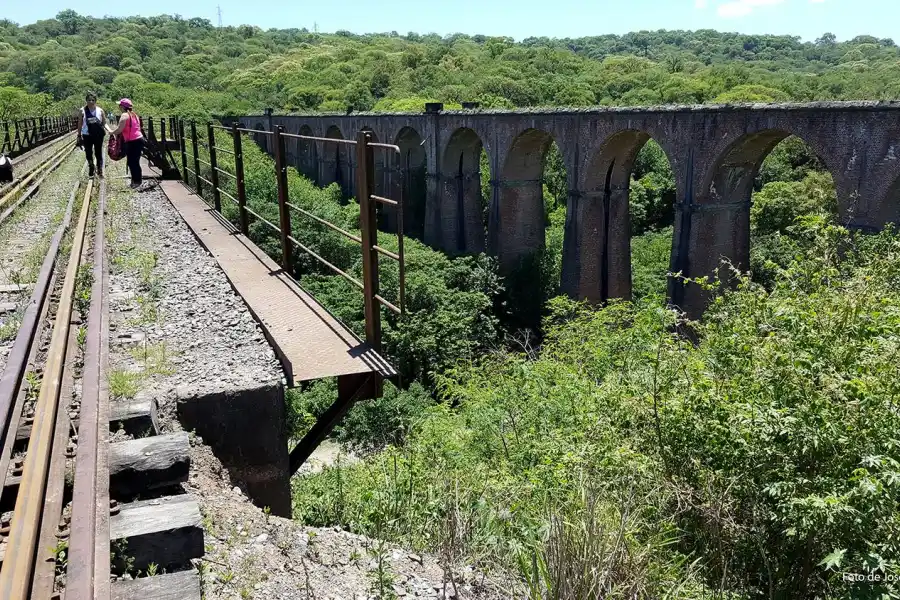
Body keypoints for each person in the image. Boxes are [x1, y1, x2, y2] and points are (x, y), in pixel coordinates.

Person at [106, 98, 144, 188]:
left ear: (123, 107)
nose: (119, 107)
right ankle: (137, 180)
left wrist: (111, 132)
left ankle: (136, 181)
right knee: (135, 161)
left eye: (120, 105)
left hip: (132, 141)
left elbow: (120, 129)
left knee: (132, 162)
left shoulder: (124, 115)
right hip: (139, 139)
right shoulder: (134, 115)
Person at [78, 92, 105, 178]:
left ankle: (100, 169)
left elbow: (104, 122)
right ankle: (91, 167)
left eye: (93, 100)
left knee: (98, 153)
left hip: (98, 135)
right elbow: (80, 123)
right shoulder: (82, 111)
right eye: (89, 100)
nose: (91, 101)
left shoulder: (100, 110)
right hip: (87, 135)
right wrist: (79, 135)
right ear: (86, 100)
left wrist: (106, 131)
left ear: (95, 101)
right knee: (88, 153)